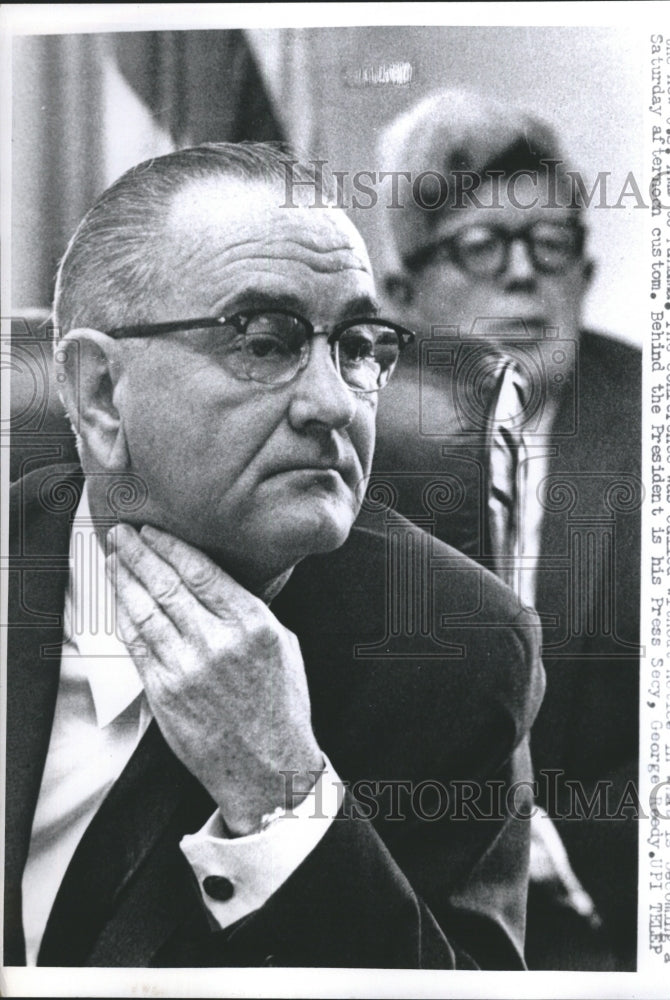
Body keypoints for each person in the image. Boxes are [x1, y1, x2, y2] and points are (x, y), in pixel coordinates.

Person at [5, 142, 544, 969]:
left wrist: (285, 795)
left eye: (359, 346)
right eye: (263, 340)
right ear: (101, 395)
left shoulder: (454, 651)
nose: (334, 402)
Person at [372, 91, 642, 970]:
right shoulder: (343, 443)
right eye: (482, 246)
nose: (524, 275)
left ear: (584, 271)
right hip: (396, 921)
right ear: (400, 294)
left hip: (611, 931)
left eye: (551, 244)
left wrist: (558, 856)